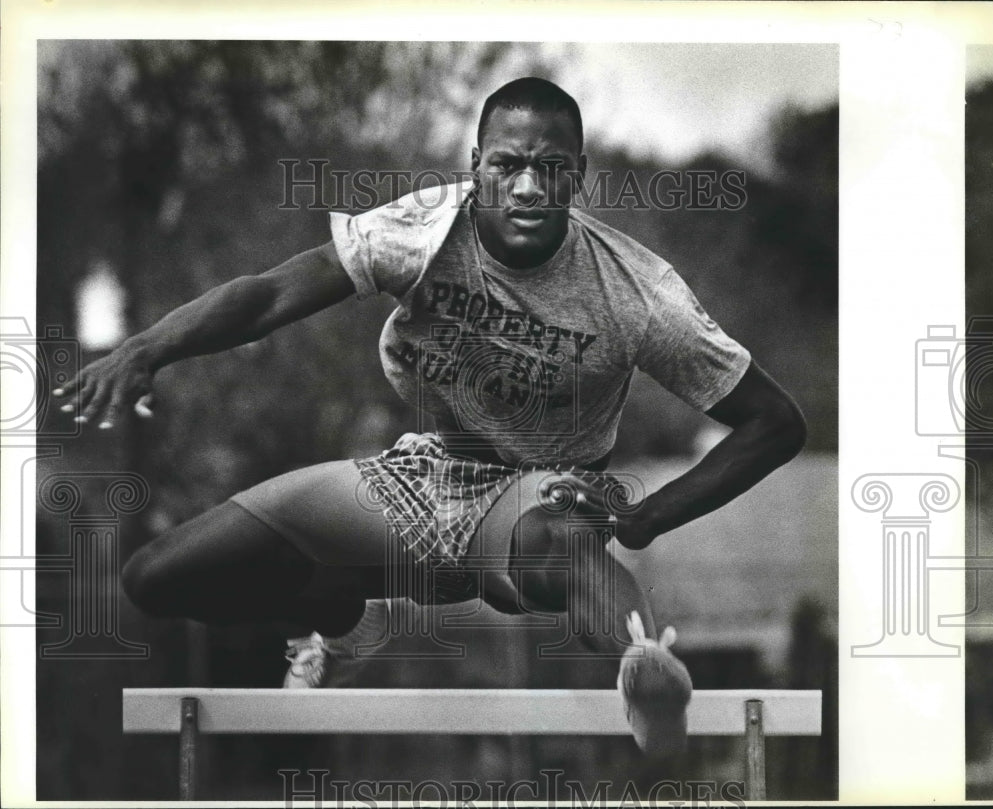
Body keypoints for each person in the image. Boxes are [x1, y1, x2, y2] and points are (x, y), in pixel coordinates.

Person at [54, 77, 806, 756]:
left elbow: (775, 422)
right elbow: (270, 295)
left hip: (535, 496)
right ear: (474, 164)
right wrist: (147, 348)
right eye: (507, 165)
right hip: (418, 478)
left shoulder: (637, 292)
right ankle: (340, 617)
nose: (527, 188)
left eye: (552, 169)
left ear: (578, 177)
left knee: (565, 537)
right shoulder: (425, 225)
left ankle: (645, 666)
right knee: (158, 577)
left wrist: (649, 517)